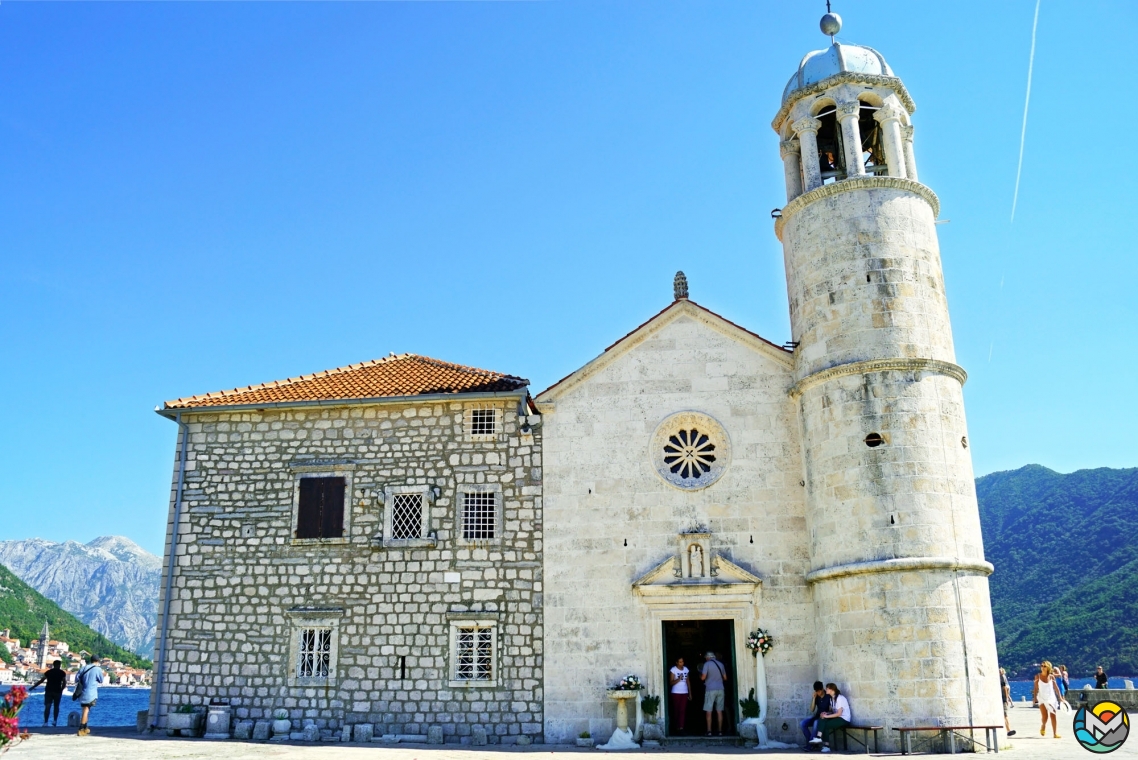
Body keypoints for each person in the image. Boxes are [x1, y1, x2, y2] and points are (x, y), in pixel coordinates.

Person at [809, 683, 851, 753]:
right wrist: (826, 713)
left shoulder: (839, 698)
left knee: (826, 724)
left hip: (844, 719)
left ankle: (826, 745)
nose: (826, 690)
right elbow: (833, 711)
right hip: (838, 717)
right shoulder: (832, 699)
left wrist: (827, 716)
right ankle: (819, 738)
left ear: (832, 690)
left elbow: (839, 713)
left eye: (827, 688)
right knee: (822, 717)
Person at [73, 655, 104, 737]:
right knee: (86, 709)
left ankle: (86, 727)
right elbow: (101, 680)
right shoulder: (97, 669)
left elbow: (76, 679)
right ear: (97, 661)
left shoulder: (83, 668)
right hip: (91, 693)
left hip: (82, 693)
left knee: (84, 709)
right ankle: (81, 728)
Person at [699, 651, 728, 737]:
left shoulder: (706, 664)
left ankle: (709, 731)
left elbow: (703, 677)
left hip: (710, 689)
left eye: (705, 658)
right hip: (720, 689)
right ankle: (720, 731)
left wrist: (699, 676)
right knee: (719, 711)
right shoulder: (721, 664)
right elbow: (725, 678)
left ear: (708, 657)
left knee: (709, 711)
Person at [31, 660, 68, 726]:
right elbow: (64, 682)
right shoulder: (62, 673)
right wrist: (61, 689)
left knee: (48, 706)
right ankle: (55, 721)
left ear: (53, 665)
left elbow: (41, 680)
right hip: (57, 691)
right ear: (59, 665)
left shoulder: (48, 672)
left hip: (49, 691)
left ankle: (46, 722)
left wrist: (33, 687)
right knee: (56, 706)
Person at [1032, 661, 1060, 739]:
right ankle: (1043, 725)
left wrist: (1060, 697)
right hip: (1041, 697)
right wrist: (1034, 698)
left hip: (1051, 698)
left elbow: (1056, 687)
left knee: (1053, 715)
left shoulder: (1051, 677)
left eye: (1044, 666)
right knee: (1045, 716)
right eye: (1042, 666)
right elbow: (1035, 688)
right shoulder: (1037, 676)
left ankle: (1055, 733)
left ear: (1048, 667)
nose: (1042, 667)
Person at [668, 657, 691, 734]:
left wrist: (690, 693)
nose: (682, 663)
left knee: (682, 710)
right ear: (677, 662)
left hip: (684, 692)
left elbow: (688, 681)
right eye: (680, 662)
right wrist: (679, 679)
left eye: (682, 662)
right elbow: (671, 683)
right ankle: (676, 727)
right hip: (676, 692)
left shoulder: (686, 669)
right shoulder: (673, 670)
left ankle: (681, 727)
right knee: (676, 710)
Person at [999, 668, 1016, 737]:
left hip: (1002, 698)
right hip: (1001, 698)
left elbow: (1005, 688)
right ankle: (1008, 730)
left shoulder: (1002, 677)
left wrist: (1006, 698)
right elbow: (1005, 688)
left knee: (1005, 715)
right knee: (1004, 715)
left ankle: (1008, 730)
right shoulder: (1000, 677)